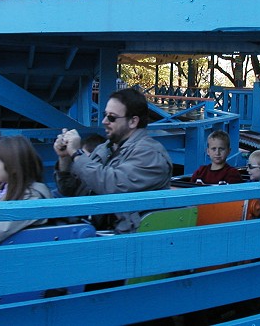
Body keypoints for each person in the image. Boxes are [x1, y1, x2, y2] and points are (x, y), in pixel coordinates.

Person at [54, 88, 172, 234]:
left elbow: (111, 185)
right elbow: (70, 190)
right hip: (92, 228)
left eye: (111, 117)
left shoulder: (150, 155)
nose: (104, 121)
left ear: (133, 121)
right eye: (105, 115)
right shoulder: (104, 148)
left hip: (124, 236)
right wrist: (65, 157)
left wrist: (77, 154)